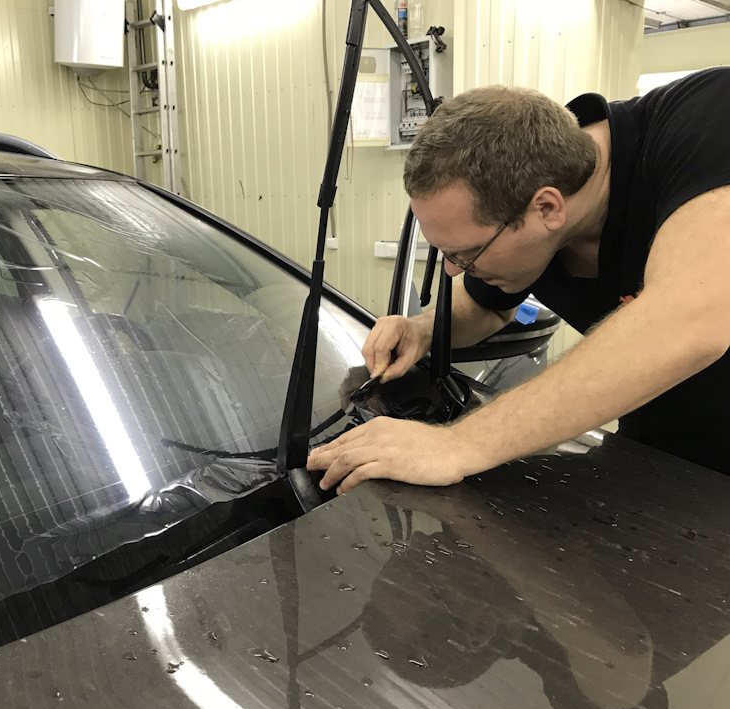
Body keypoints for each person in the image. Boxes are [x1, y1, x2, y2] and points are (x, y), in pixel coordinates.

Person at [308, 67, 730, 493]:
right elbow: (485, 306)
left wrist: (458, 444)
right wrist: (424, 329)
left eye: (468, 253)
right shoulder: (525, 201)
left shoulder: (707, 122)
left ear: (547, 208)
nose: (453, 270)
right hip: (657, 460)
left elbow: (689, 321)